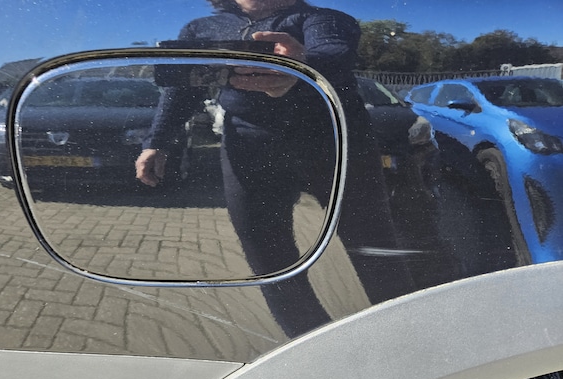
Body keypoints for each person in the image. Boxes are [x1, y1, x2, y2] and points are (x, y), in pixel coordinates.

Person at [136, 0, 412, 337]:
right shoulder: (200, 29)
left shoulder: (322, 19)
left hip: (334, 141)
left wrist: (302, 65)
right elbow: (182, 88)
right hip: (249, 145)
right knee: (267, 256)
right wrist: (157, 141)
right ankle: (309, 342)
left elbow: (333, 53)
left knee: (372, 244)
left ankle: (406, 335)